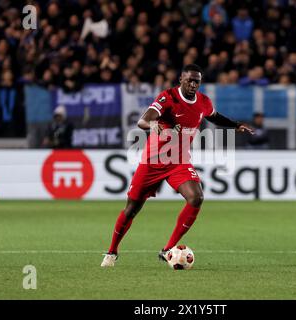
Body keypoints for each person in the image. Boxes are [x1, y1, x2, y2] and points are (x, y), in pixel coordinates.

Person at [101, 64, 253, 267]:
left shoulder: (203, 101)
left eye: (196, 81)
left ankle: (167, 250)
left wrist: (235, 125)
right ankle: (112, 252)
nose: (192, 84)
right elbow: (142, 121)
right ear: (180, 79)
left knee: (196, 197)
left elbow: (214, 117)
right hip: (153, 161)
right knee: (132, 209)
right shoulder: (168, 97)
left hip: (179, 161)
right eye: (189, 80)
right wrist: (155, 125)